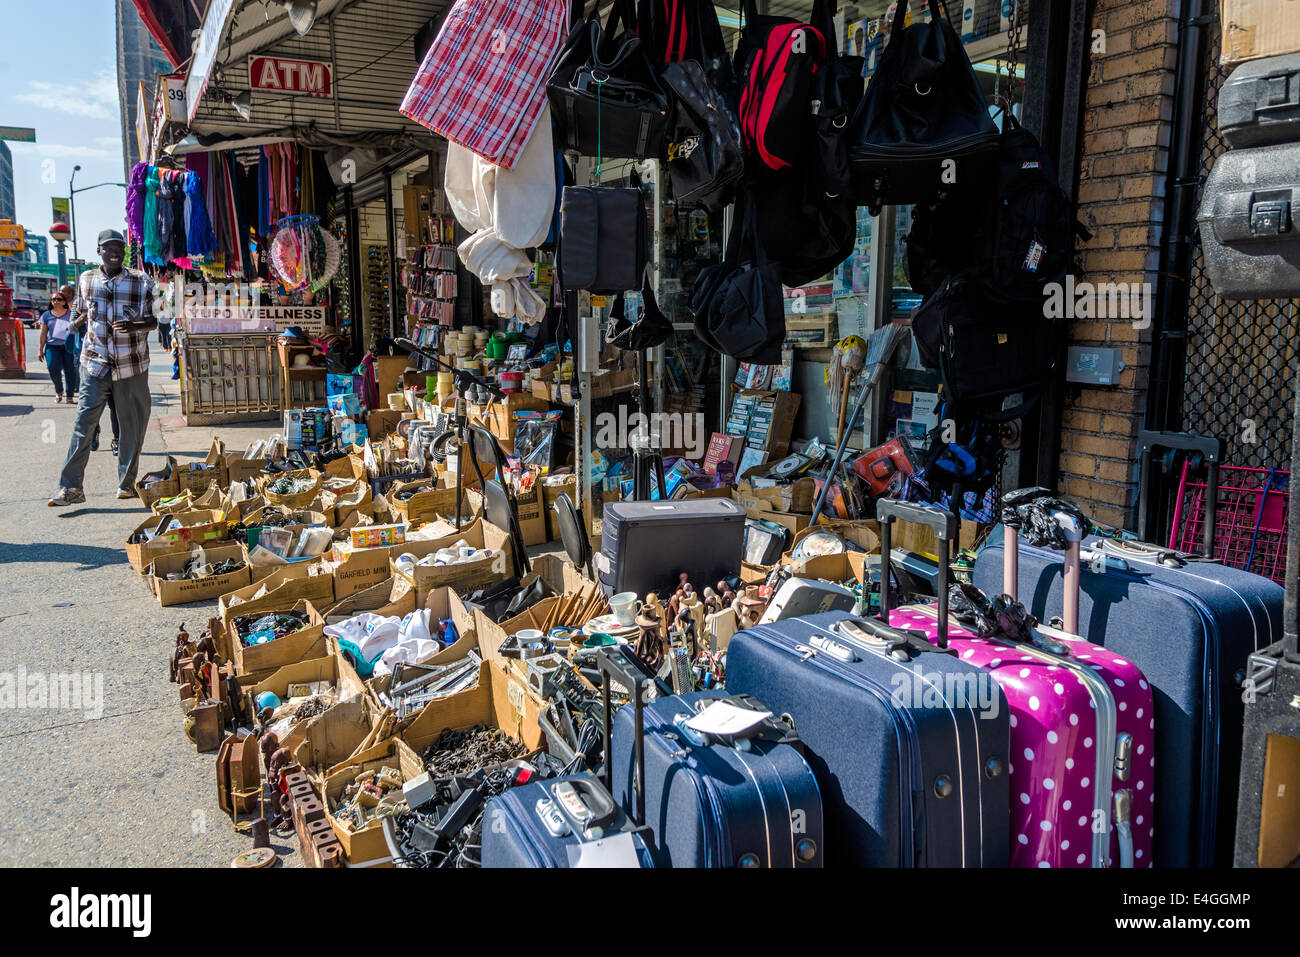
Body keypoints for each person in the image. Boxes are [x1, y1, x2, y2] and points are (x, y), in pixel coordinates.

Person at [48, 229, 157, 506]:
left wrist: (136, 325)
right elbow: (79, 311)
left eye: (119, 248)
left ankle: (126, 484)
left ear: (124, 252)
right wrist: (76, 321)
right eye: (108, 248)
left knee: (131, 428)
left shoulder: (141, 281)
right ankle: (70, 488)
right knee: (83, 424)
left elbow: (155, 320)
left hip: (130, 365)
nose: (114, 252)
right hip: (94, 364)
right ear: (98, 251)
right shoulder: (86, 279)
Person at [36, 291, 79, 403]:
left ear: (64, 301)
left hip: (68, 346)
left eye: (59, 299)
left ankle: (69, 396)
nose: (56, 301)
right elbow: (43, 334)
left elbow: (77, 329)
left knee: (70, 370)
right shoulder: (46, 315)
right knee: (52, 367)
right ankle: (59, 390)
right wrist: (40, 350)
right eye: (53, 299)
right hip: (52, 346)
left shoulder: (71, 314)